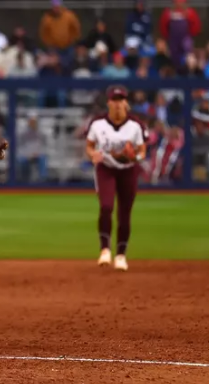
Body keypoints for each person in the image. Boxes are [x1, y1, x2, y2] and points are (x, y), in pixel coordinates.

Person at [85, 85, 147, 270]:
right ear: (109, 102)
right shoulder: (98, 124)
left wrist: (133, 156)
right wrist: (92, 154)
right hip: (106, 168)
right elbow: (89, 145)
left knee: (124, 212)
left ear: (126, 103)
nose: (118, 104)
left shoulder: (135, 125)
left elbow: (142, 151)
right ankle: (105, 250)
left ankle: (121, 255)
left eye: (121, 100)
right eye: (115, 100)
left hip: (128, 169)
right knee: (106, 206)